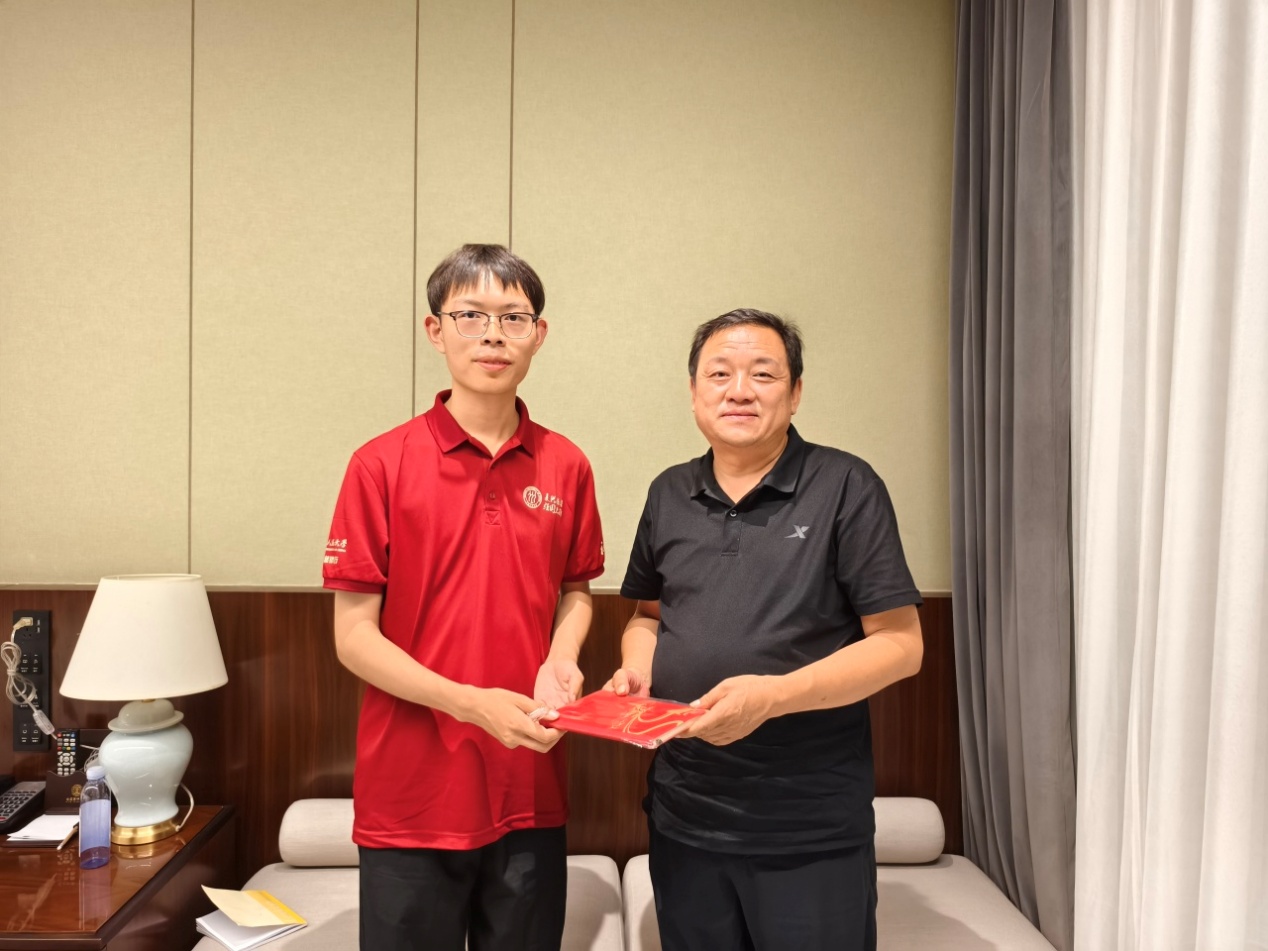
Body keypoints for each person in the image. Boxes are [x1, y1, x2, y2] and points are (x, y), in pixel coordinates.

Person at [609, 308, 923, 951]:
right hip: (683, 816)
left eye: (763, 373)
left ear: (795, 392)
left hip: (808, 827)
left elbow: (900, 645)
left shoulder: (846, 485)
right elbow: (646, 618)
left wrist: (774, 696)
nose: (739, 390)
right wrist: (638, 670)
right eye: (719, 373)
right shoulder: (668, 492)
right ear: (693, 392)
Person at [323, 244, 604, 951]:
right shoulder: (379, 463)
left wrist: (562, 657)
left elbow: (576, 590)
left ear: (539, 334)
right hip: (411, 795)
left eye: (513, 317)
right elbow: (353, 637)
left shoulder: (567, 464)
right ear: (435, 330)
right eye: (470, 315)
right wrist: (470, 702)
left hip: (529, 785)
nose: (492, 335)